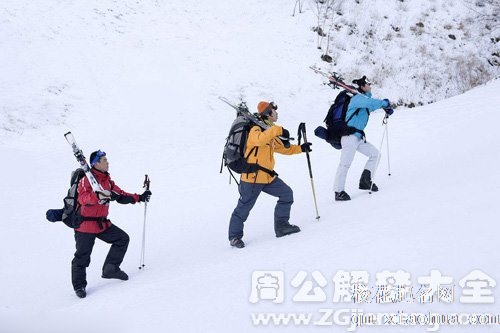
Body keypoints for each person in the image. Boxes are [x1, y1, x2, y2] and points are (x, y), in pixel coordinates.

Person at [228, 101, 312, 248]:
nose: (277, 113)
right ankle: (234, 237)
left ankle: (282, 226)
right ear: (268, 113)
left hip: (267, 177)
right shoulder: (255, 129)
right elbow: (258, 140)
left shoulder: (268, 130)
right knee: (244, 207)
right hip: (252, 178)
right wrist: (278, 130)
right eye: (274, 110)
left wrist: (301, 148)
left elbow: (282, 148)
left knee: (286, 194)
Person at [72, 150, 152, 298]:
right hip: (85, 225)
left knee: (122, 239)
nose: (107, 162)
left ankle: (110, 268)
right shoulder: (86, 180)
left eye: (106, 159)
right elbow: (82, 198)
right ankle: (79, 286)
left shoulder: (107, 180)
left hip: (101, 224)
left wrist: (139, 197)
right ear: (96, 163)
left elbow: (120, 195)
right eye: (104, 160)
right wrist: (97, 196)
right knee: (82, 256)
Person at [333, 76, 394, 201]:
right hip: (349, 136)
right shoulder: (357, 99)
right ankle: (338, 191)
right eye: (368, 84)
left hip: (358, 137)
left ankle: (365, 180)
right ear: (362, 86)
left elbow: (372, 105)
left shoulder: (364, 101)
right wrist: (385, 103)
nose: (370, 85)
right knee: (345, 164)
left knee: (375, 155)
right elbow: (371, 103)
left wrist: (386, 109)